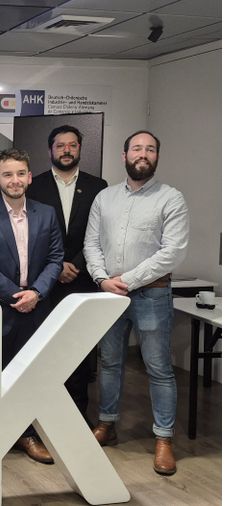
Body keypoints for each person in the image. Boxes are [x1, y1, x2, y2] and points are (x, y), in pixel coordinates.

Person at [83, 130, 190, 476]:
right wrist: (102, 279)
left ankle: (163, 439)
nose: (143, 154)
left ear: (157, 156)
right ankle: (107, 424)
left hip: (151, 294)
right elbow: (91, 244)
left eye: (150, 149)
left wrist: (126, 280)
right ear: (124, 155)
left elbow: (172, 252)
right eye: (137, 149)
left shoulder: (171, 198)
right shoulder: (105, 198)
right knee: (111, 362)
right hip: (109, 294)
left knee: (158, 368)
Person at [0, 145, 64, 464]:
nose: (15, 180)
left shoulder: (46, 213)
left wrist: (36, 292)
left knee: (29, 376)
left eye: (21, 173)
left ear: (30, 177)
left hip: (36, 307)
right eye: (8, 174)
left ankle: (25, 434)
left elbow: (55, 259)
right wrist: (15, 295)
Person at [29, 123, 107, 419]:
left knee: (78, 350)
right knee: (45, 349)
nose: (66, 150)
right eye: (60, 145)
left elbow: (100, 234)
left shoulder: (98, 186)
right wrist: (56, 264)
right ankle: (44, 414)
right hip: (45, 281)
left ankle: (77, 416)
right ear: (50, 150)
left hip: (83, 279)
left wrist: (76, 262)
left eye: (72, 145)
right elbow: (30, 233)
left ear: (79, 149)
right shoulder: (34, 185)